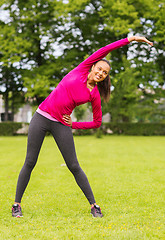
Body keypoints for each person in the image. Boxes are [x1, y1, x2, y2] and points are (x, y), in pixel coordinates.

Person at [12, 36, 153, 218]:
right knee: (30, 162)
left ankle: (94, 206)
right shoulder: (82, 68)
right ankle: (16, 204)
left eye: (105, 73)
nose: (101, 73)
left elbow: (97, 122)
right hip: (41, 117)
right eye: (100, 69)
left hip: (61, 124)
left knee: (73, 165)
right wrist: (130, 39)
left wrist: (74, 124)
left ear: (105, 77)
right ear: (94, 66)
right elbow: (105, 48)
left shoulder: (93, 94)